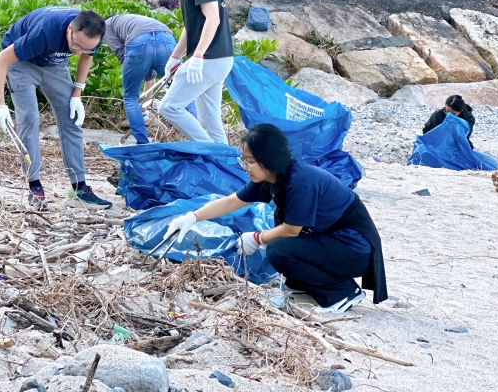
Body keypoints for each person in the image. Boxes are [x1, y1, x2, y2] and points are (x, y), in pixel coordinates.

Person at [164, 123, 387, 314]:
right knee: (281, 246)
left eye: (250, 161)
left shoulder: (301, 181)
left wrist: (257, 237)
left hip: (356, 248)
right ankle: (305, 283)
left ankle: (344, 293)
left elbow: (292, 230)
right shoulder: (271, 177)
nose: (245, 167)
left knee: (279, 249)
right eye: (244, 160)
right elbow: (234, 201)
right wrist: (192, 217)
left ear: (268, 159)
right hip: (332, 241)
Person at [0, 6, 113, 210]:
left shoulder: (93, 34)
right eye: (75, 45)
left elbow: (86, 56)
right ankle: (34, 187)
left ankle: (79, 186)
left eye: (85, 47)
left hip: (54, 64)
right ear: (69, 29)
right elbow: (1, 60)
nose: (77, 51)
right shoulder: (44, 31)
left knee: (71, 119)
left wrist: (77, 93)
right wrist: (0, 103)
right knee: (29, 121)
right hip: (21, 62)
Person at [150, 0, 234, 144]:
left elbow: (212, 18)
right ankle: (228, 170)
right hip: (214, 59)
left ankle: (207, 150)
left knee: (169, 106)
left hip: (211, 58)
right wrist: (175, 57)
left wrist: (197, 57)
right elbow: (192, 24)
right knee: (210, 122)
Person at [104, 13, 196, 144]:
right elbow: (149, 70)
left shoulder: (106, 25)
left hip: (139, 42)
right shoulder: (132, 20)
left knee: (130, 96)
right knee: (184, 92)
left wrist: (135, 68)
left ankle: (143, 144)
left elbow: (122, 54)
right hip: (166, 39)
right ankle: (202, 140)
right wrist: (144, 106)